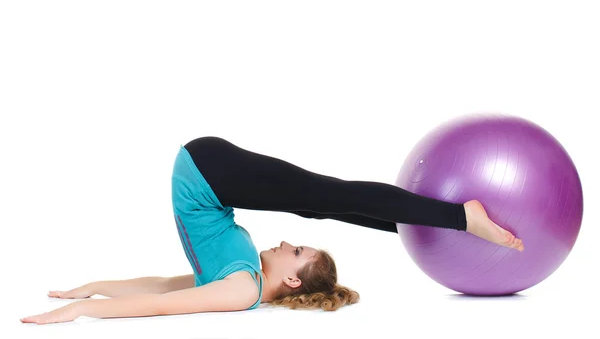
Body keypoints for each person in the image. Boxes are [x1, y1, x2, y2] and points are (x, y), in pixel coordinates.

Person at [21, 136, 524, 325]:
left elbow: (160, 298)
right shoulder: (242, 282)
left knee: (332, 196)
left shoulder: (240, 290)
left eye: (296, 253)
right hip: (209, 171)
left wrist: (88, 303)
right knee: (327, 202)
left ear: (293, 282)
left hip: (208, 171)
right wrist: (92, 291)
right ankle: (427, 227)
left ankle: (460, 219)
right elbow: (165, 286)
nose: (285, 243)